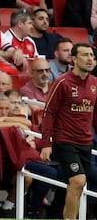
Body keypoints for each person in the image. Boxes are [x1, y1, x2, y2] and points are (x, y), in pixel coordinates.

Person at [39, 42, 97, 220]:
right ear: (73, 59)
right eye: (85, 55)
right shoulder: (62, 82)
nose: (90, 59)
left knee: (78, 185)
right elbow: (49, 113)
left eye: (92, 56)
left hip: (86, 142)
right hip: (65, 141)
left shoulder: (95, 83)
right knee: (78, 181)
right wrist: (46, 144)